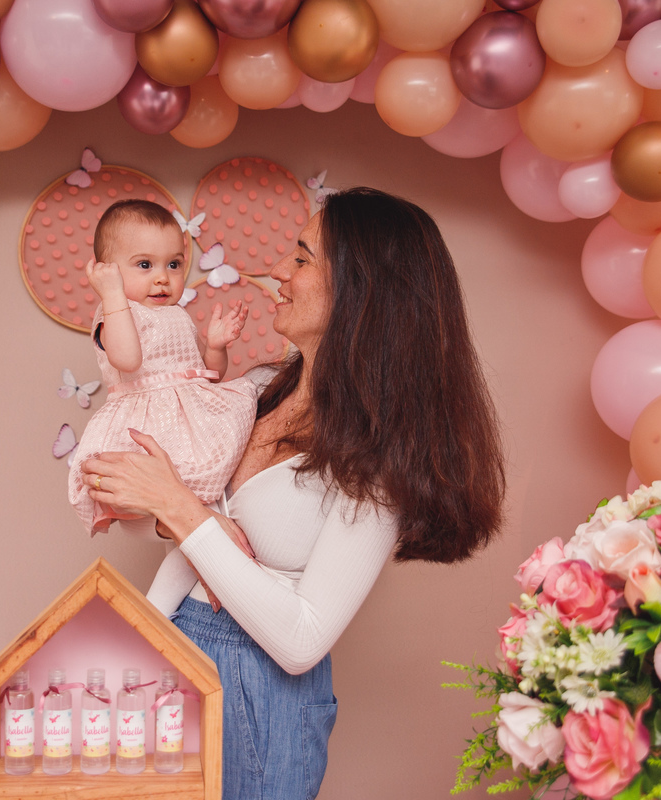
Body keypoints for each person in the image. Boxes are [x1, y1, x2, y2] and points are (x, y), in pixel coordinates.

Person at [80, 188, 506, 799]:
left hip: (257, 694)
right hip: (170, 644)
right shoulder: (252, 393)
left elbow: (303, 642)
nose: (277, 271)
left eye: (301, 258)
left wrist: (183, 510)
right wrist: (180, 515)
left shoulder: (378, 460)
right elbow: (170, 495)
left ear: (361, 290)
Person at [69, 199, 258, 535]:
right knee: (173, 519)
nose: (162, 278)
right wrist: (111, 295)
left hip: (190, 419)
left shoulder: (177, 316)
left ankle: (208, 561)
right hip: (148, 427)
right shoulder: (114, 313)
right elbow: (128, 359)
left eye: (173, 264)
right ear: (106, 270)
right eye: (144, 265)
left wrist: (215, 346)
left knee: (199, 509)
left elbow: (210, 373)